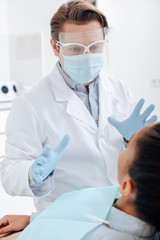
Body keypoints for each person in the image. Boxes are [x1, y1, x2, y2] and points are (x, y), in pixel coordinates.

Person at [0, 0, 157, 229]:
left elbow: (135, 164)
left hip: (122, 215)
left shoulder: (119, 89)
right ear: (55, 47)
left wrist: (133, 140)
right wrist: (34, 173)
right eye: (75, 49)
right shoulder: (30, 104)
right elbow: (9, 171)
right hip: (67, 223)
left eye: (95, 47)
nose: (87, 55)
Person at [1, 123, 159, 240]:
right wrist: (33, 220)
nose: (122, 149)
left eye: (129, 146)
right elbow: (82, 216)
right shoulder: (120, 203)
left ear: (126, 186)